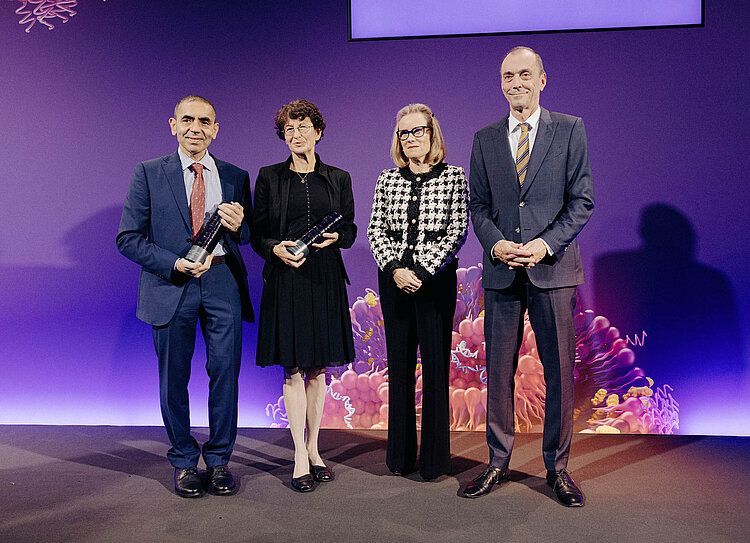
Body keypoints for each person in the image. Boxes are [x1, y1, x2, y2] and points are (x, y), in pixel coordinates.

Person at [463, 47, 594, 506]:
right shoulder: (485, 138)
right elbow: (477, 206)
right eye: (507, 76)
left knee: (558, 373)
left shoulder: (570, 129)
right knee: (499, 373)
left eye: (524, 74)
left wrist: (543, 245)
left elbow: (582, 201)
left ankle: (557, 469)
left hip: (552, 270)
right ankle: (497, 463)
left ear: (542, 79)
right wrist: (496, 244)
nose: (515, 82)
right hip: (502, 272)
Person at [117, 95, 254, 498]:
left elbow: (247, 236)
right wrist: (174, 263)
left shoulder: (235, 175)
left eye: (205, 121)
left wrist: (240, 225)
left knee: (226, 373)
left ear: (216, 129)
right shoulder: (148, 172)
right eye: (188, 120)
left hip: (222, 282)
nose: (196, 128)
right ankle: (183, 461)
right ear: (173, 125)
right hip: (171, 284)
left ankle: (219, 460)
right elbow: (127, 238)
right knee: (173, 378)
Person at [251, 99, 356, 492]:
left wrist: (337, 237)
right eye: (289, 129)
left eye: (303, 127)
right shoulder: (269, 177)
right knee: (293, 368)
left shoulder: (339, 177)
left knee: (318, 369)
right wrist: (274, 248)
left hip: (324, 278)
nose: (296, 135)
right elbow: (257, 234)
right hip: (287, 279)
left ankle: (314, 450)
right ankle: (298, 455)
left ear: (318, 131)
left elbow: (351, 230)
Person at [367, 103, 468, 481]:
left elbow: (457, 230)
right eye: (403, 133)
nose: (410, 138)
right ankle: (400, 456)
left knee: (436, 368)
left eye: (417, 131)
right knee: (399, 368)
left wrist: (422, 272)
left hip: (435, 284)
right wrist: (396, 269)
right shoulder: (387, 179)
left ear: (431, 134)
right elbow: (375, 230)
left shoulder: (454, 177)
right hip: (394, 283)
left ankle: (434, 461)